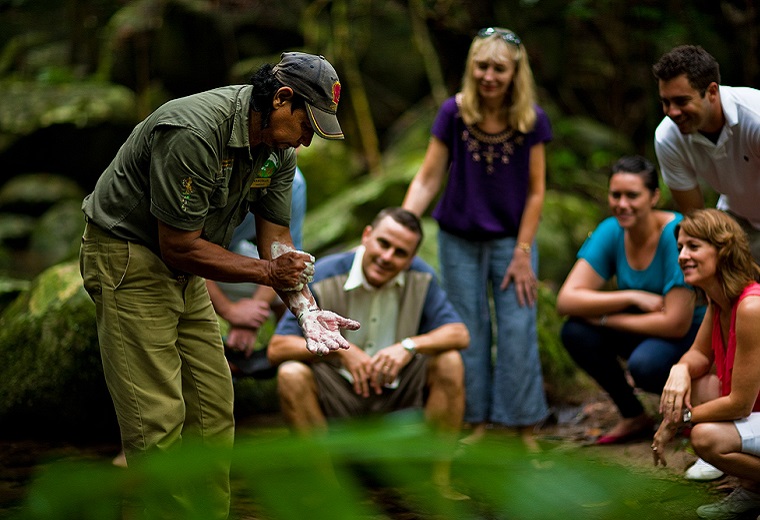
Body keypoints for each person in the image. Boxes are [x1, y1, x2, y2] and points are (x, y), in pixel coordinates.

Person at [79, 52, 360, 519]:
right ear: (282, 100)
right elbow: (179, 247)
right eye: (308, 125)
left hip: (187, 262)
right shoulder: (193, 132)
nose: (308, 141)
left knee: (213, 406)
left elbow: (276, 242)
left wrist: (305, 307)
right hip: (129, 256)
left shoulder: (279, 151)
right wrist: (269, 276)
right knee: (158, 421)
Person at [402, 26, 550, 445]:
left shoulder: (531, 120)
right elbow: (429, 177)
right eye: (481, 66)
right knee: (468, 328)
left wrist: (524, 252)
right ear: (471, 68)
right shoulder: (454, 112)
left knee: (518, 326)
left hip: (512, 239)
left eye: (498, 69)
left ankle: (523, 424)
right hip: (458, 237)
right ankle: (474, 421)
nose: (489, 76)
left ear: (514, 72)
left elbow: (538, 190)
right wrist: (402, 226)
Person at [556, 155, 703, 445]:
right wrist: (630, 296)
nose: (622, 204)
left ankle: (693, 410)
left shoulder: (676, 234)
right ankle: (633, 415)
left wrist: (605, 318)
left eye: (632, 195)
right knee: (575, 331)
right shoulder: (612, 230)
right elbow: (566, 300)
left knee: (645, 365)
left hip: (689, 336)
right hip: (646, 327)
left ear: (654, 197)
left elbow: (674, 323)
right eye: (616, 195)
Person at [652, 209, 760, 520]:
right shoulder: (720, 300)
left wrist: (676, 421)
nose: (682, 256)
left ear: (723, 250)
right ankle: (752, 489)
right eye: (680, 248)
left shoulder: (751, 306)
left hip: (752, 409)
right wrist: (680, 369)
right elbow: (698, 356)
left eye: (693, 247)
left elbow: (740, 404)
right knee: (697, 384)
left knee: (704, 437)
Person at [652, 44, 760, 262]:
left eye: (682, 101)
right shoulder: (667, 137)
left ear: (712, 92)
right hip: (737, 219)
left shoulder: (755, 118)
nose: (672, 112)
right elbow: (695, 217)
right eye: (666, 102)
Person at [208, 167, 307, 378]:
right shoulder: (217, 166)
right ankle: (208, 363)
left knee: (300, 287)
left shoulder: (293, 183)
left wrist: (252, 315)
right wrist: (229, 311)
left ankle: (279, 363)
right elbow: (184, 250)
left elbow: (285, 258)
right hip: (176, 258)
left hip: (227, 253)